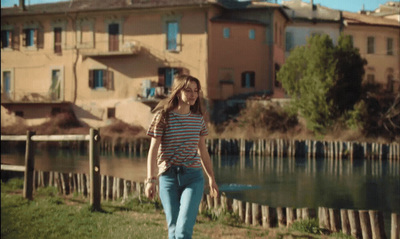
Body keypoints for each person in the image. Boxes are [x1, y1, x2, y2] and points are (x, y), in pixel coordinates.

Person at [145, 74, 219, 239]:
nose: (193, 94)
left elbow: (203, 151)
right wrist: (150, 180)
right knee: (173, 230)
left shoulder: (198, 120)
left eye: (196, 91)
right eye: (188, 90)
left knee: (183, 230)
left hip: (193, 178)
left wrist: (211, 178)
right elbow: (153, 149)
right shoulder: (163, 117)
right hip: (168, 178)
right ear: (178, 92)